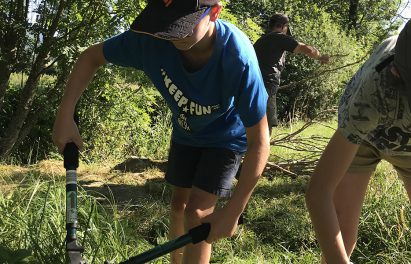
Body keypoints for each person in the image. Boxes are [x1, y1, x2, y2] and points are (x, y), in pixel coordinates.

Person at [52, 0, 270, 263]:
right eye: (165, 23)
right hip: (186, 133)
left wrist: (234, 210)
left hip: (226, 136)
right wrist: (65, 115)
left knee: (196, 215)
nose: (171, 34)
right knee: (179, 206)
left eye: (182, 25)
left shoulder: (238, 57)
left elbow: (260, 141)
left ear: (214, 12)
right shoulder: (152, 39)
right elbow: (91, 57)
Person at [305, 8, 411, 264]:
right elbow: (319, 191)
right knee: (341, 239)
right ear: (398, 74)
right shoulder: (372, 95)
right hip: (362, 140)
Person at [253, 13, 330, 135]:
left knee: (253, 122)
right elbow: (307, 49)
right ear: (284, 26)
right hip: (267, 86)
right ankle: (261, 151)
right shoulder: (279, 37)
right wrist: (321, 57)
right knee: (266, 126)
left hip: (253, 85)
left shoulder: (261, 41)